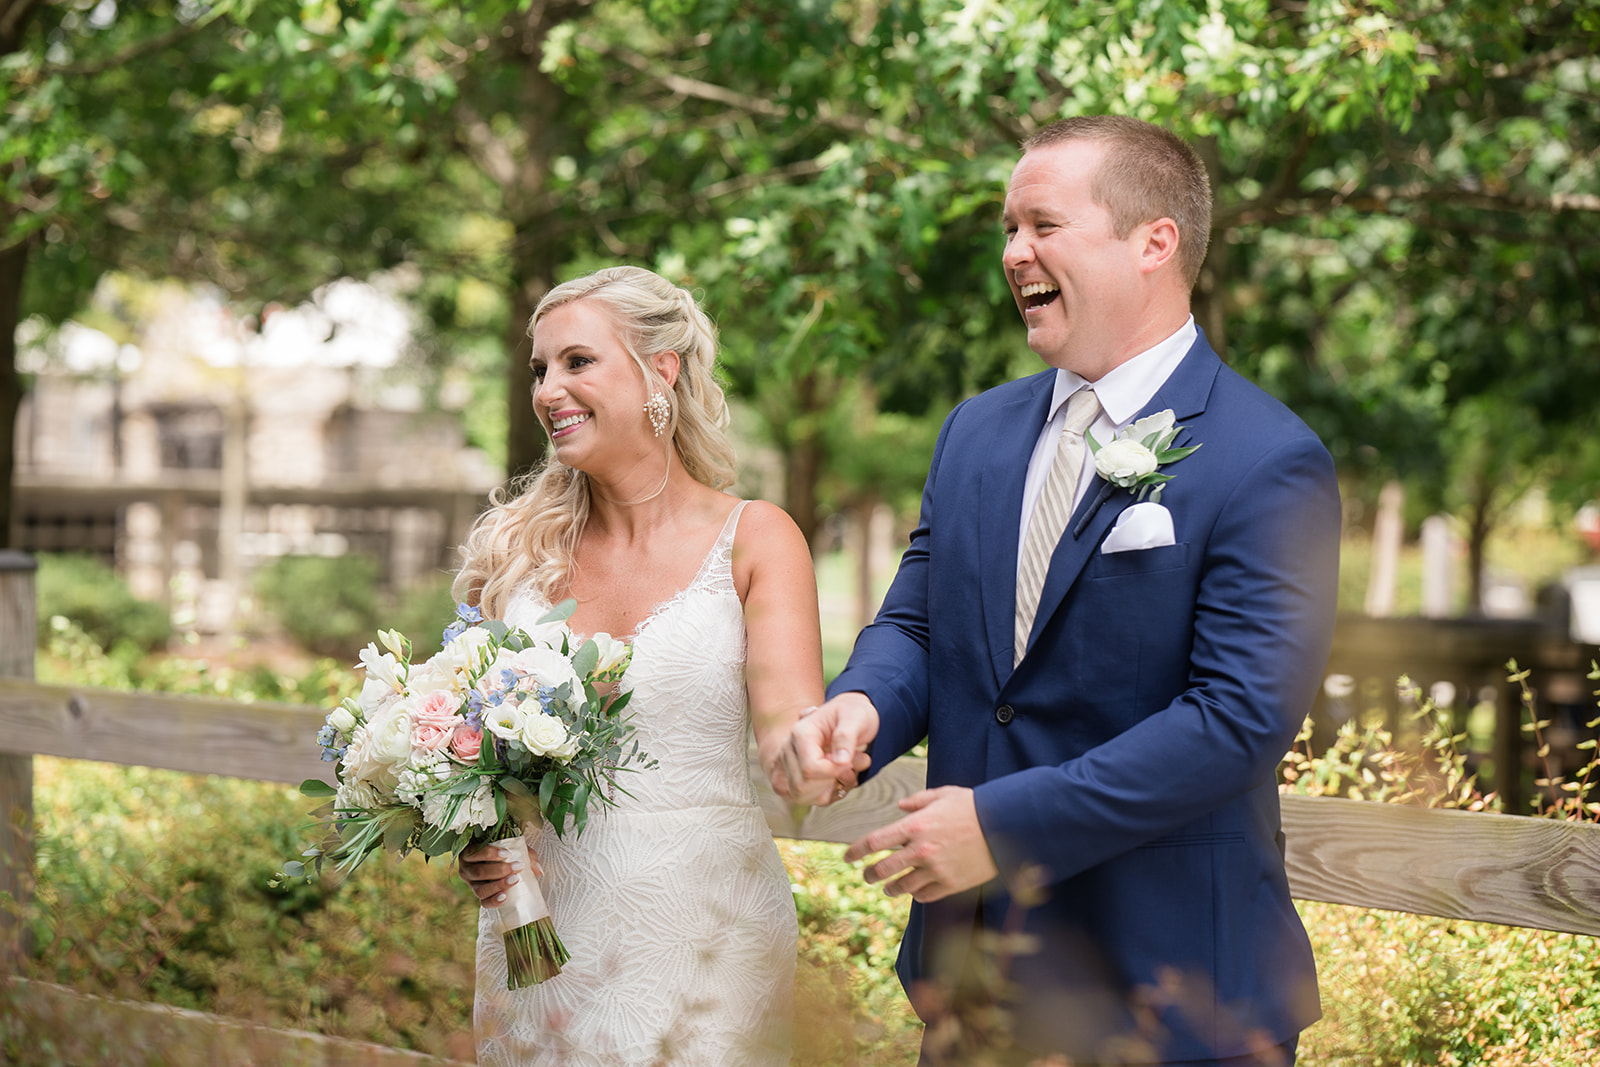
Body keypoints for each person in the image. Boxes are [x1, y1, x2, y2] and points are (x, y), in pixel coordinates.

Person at [773, 116, 1341, 1066]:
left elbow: (1238, 718)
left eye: (1042, 225)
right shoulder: (976, 433)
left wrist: (1001, 825)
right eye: (1008, 229)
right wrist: (861, 705)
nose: (1014, 253)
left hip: (1170, 1002)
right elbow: (920, 619)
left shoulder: (1269, 458)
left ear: (1153, 241)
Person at [455, 265, 821, 1066]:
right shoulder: (514, 557)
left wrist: (834, 744)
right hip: (536, 938)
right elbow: (474, 759)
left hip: (708, 937)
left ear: (663, 369)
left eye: (578, 361)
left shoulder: (756, 540)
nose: (550, 388)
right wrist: (476, 837)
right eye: (540, 369)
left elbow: (795, 733)